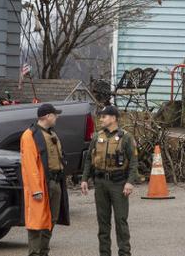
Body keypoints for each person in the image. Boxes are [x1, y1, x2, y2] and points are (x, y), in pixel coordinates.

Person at [81, 105, 139, 256]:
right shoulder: (97, 136)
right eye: (100, 116)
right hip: (100, 183)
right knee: (103, 222)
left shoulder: (126, 137)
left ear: (113, 118)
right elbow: (89, 159)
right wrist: (84, 179)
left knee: (121, 221)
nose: (101, 119)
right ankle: (104, 253)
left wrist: (130, 182)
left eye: (104, 116)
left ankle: (124, 253)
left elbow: (133, 162)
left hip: (118, 184)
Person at [20, 104, 70, 256]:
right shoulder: (29, 135)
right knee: (36, 222)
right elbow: (30, 165)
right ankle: (35, 253)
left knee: (51, 220)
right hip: (41, 185)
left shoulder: (51, 133)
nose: (57, 117)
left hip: (55, 182)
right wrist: (36, 190)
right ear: (48, 116)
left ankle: (43, 252)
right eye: (55, 115)